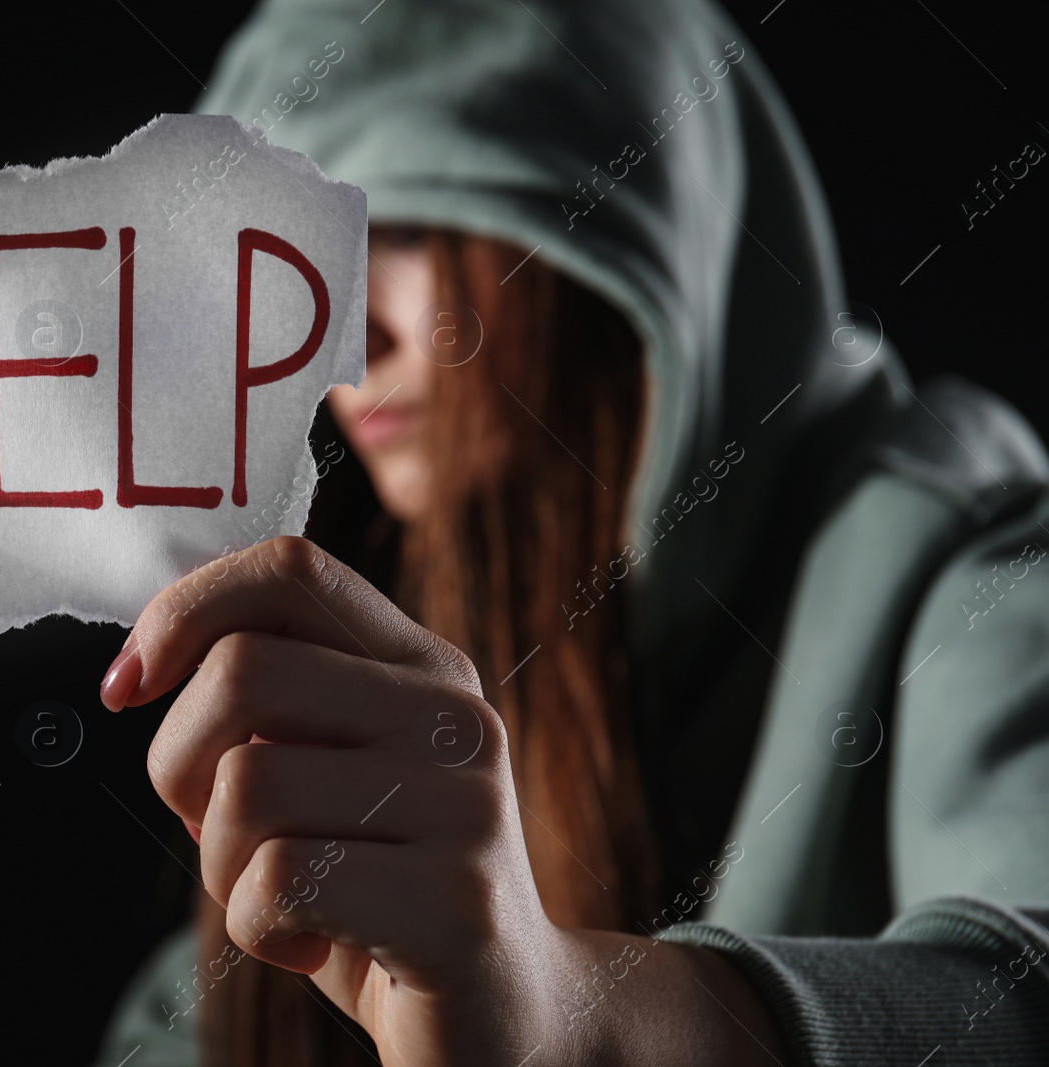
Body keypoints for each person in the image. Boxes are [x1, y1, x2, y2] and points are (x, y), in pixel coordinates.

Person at [89, 0, 1049, 1063]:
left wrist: (581, 1019)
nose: (346, 340)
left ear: (629, 231)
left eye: (397, 231)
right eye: (299, 270)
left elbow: (1019, 990)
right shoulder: (385, 601)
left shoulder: (963, 560)